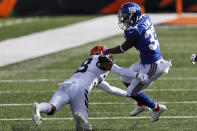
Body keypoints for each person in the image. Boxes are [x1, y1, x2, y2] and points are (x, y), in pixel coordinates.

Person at [32, 45, 148, 131]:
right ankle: (80, 119)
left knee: (51, 108)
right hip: (80, 88)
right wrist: (137, 75)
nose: (110, 56)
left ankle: (39, 108)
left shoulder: (89, 65)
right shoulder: (101, 60)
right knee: (84, 127)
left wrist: (132, 96)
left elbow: (109, 88)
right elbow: (119, 70)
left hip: (67, 84)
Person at [102, 2, 172, 122]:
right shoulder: (145, 18)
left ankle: (156, 108)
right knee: (125, 77)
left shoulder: (133, 31)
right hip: (147, 62)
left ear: (133, 16)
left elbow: (123, 48)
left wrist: (107, 51)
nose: (123, 19)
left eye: (125, 17)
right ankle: (141, 104)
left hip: (152, 66)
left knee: (131, 92)